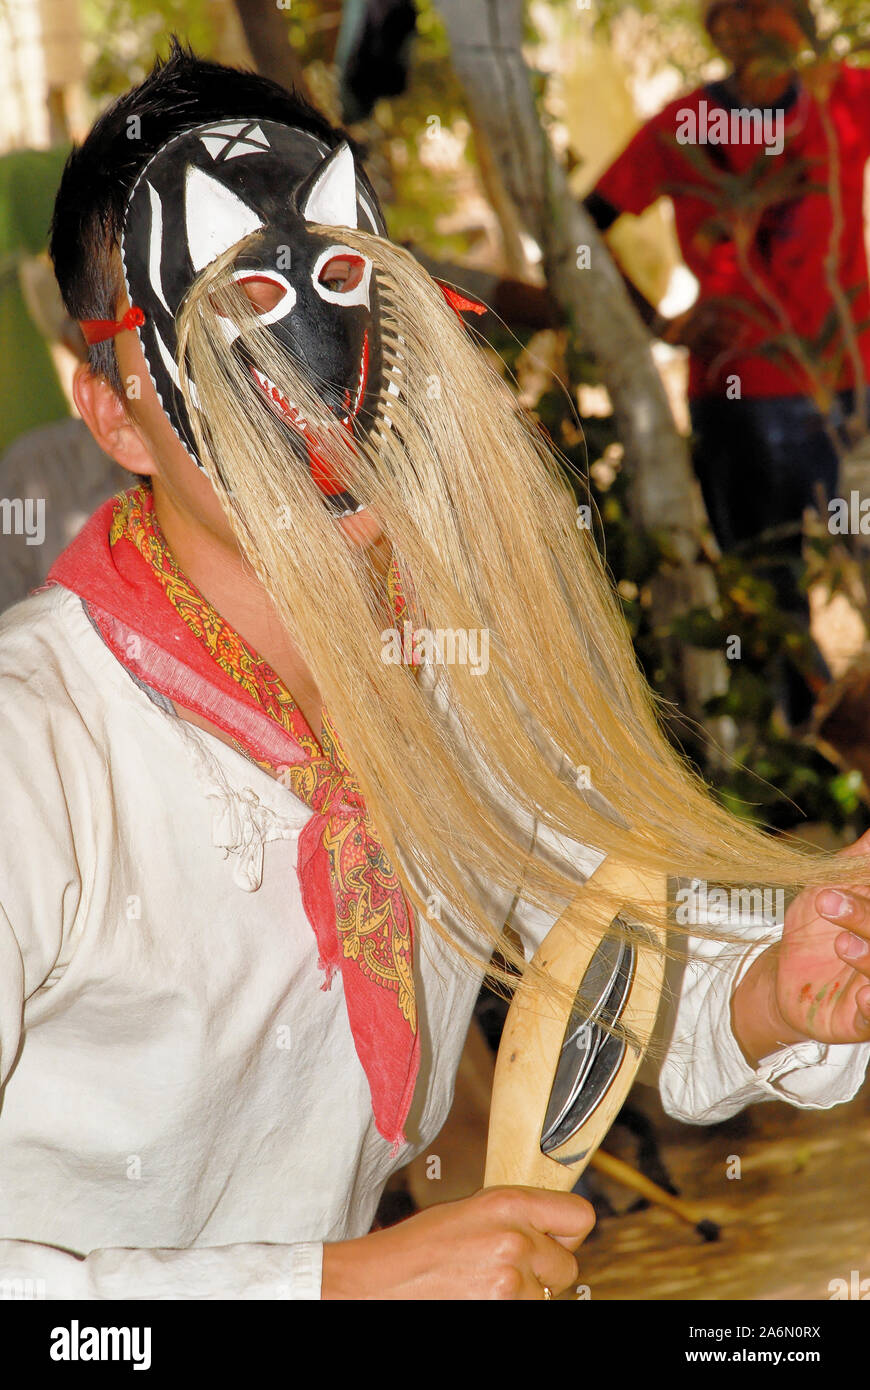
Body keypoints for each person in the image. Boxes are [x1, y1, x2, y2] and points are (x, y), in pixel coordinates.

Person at [1, 43, 869, 1303]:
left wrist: (776, 996)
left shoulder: (452, 679)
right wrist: (334, 1285)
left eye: (346, 274)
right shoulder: (36, 753)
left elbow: (621, 966)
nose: (320, 351)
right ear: (116, 414)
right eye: (237, 306)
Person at [586, 0, 870, 726]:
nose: (753, 24)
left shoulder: (843, 98)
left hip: (849, 383)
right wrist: (654, 321)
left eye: (770, 9)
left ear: (799, 22)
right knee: (767, 594)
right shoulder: (683, 126)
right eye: (734, 11)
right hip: (739, 397)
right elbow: (586, 222)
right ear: (716, 28)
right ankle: (803, 762)